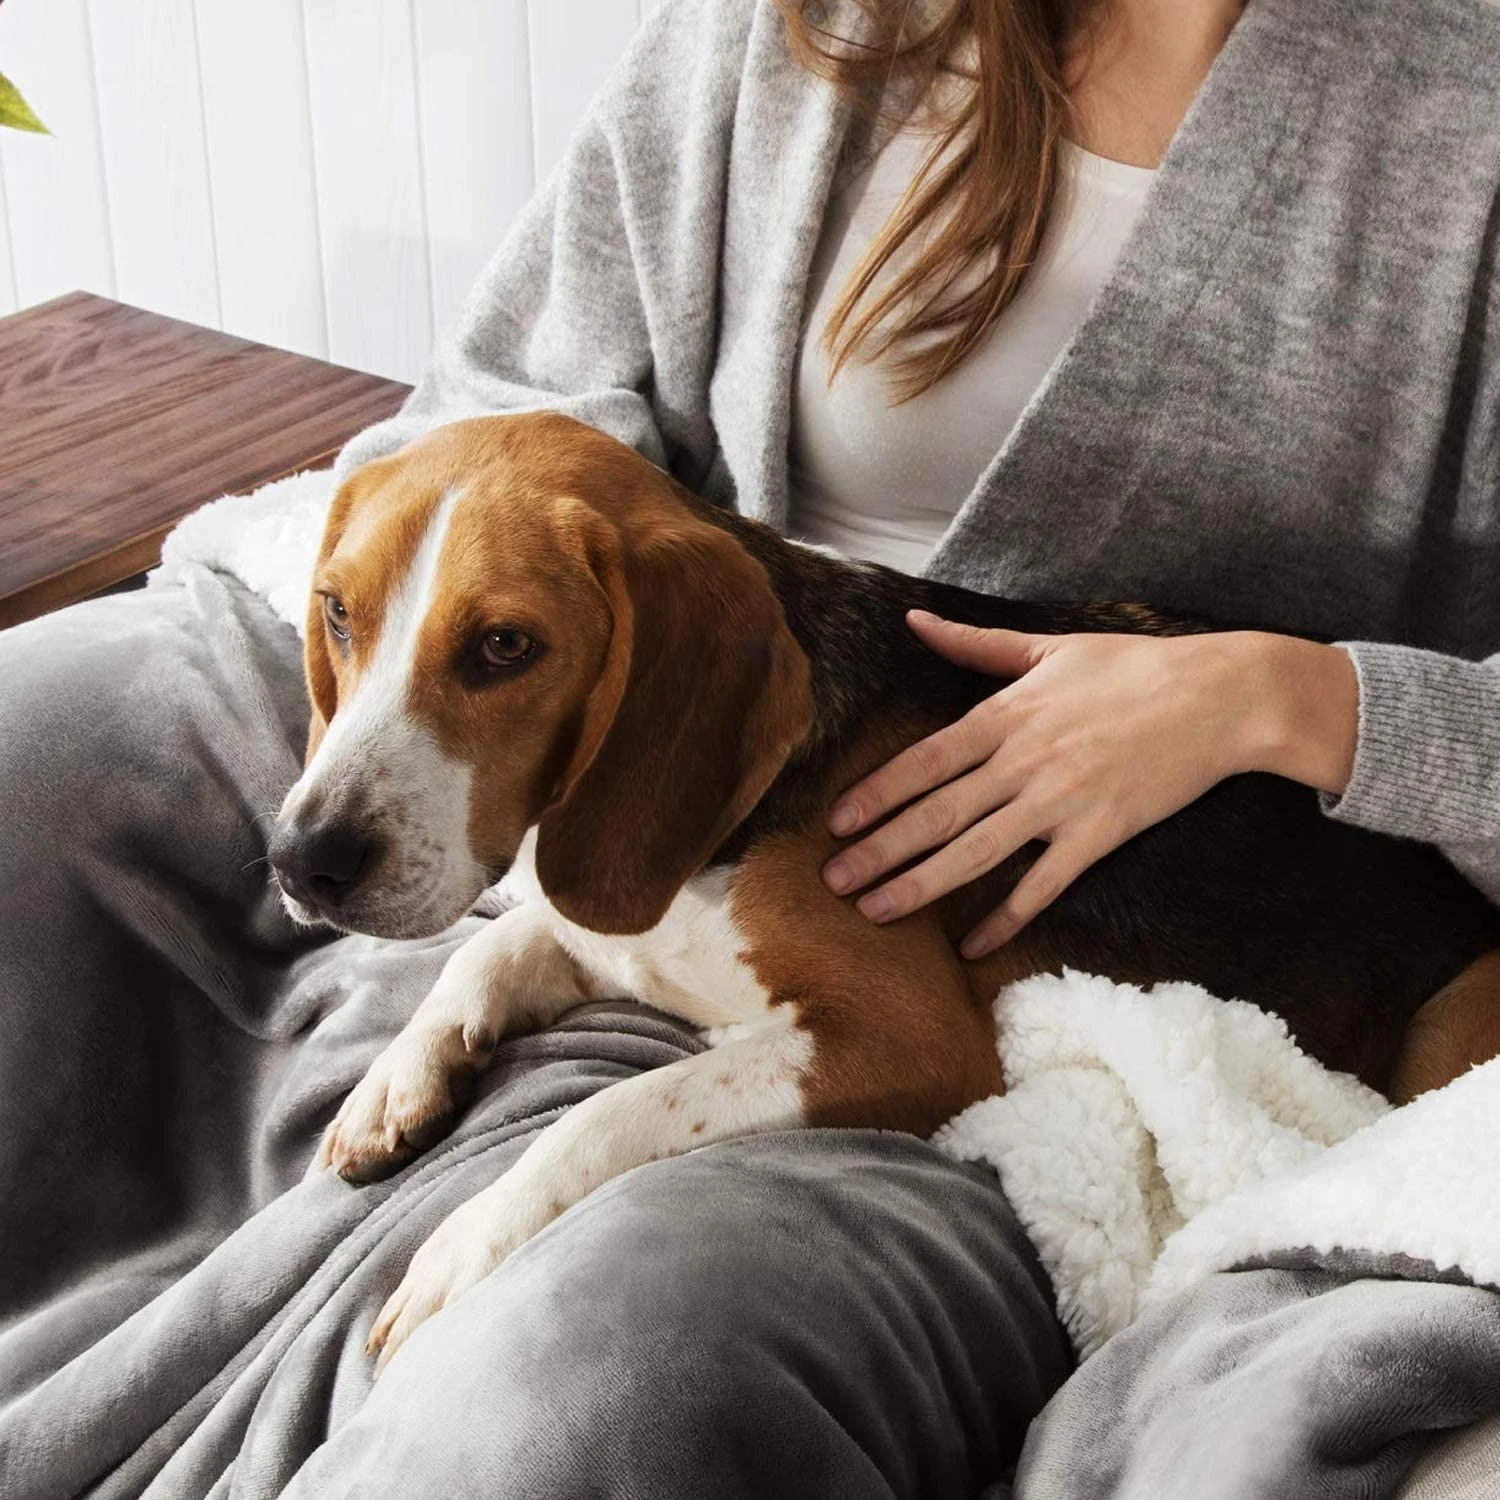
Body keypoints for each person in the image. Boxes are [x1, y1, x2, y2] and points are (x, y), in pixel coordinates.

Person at [2, 0, 1498, 1494]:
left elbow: (909, 1032)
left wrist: (1295, 700)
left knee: (598, 1378)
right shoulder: (806, 23)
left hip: (1015, 930)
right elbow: (502, 411)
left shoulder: (1466, 107)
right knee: (38, 745)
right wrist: (558, 625)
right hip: (630, 676)